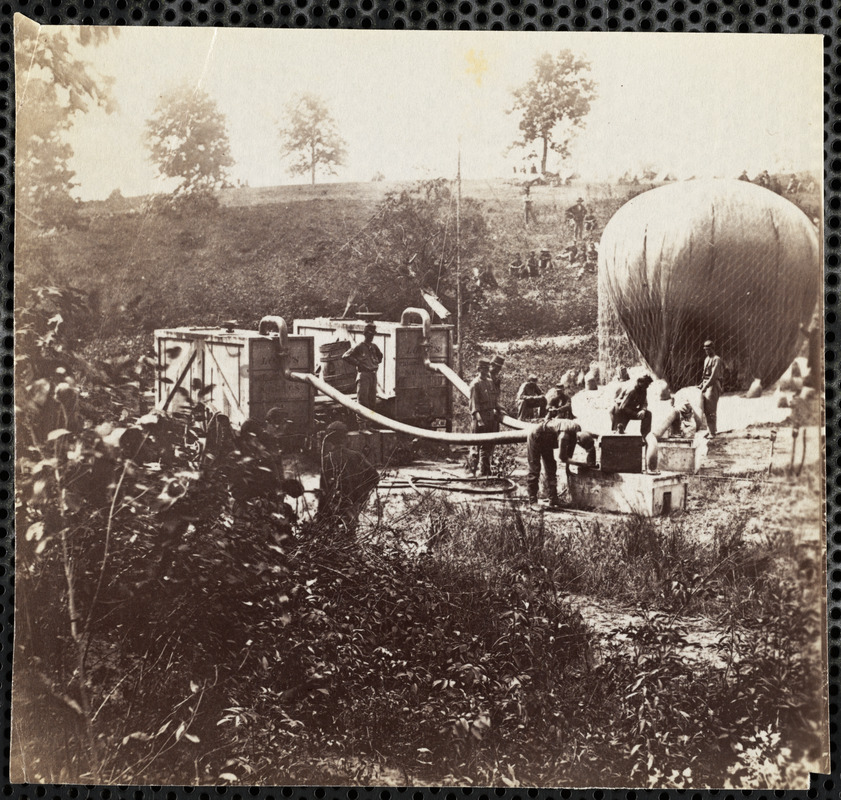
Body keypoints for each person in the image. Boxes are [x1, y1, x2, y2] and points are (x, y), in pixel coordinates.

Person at [526, 405, 596, 509]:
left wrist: (589, 460)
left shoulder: (577, 429)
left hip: (547, 440)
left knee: (551, 467)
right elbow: (563, 458)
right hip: (536, 437)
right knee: (535, 469)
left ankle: (553, 499)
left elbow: (569, 455)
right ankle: (532, 502)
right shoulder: (565, 436)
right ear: (578, 441)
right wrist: (583, 464)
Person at [316, 421, 380, 534]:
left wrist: (320, 518)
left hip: (334, 508)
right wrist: (361, 496)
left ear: (329, 440)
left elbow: (324, 491)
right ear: (345, 438)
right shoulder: (356, 456)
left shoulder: (327, 460)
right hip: (352, 506)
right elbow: (374, 476)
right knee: (350, 535)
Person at [342, 323, 383, 425]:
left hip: (373, 375)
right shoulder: (359, 346)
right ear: (365, 334)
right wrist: (359, 363)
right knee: (363, 401)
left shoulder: (374, 347)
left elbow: (380, 356)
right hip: (364, 375)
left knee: (372, 401)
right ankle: (362, 425)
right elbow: (346, 356)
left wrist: (374, 363)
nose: (371, 336)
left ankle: (369, 424)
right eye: (369, 334)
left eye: (373, 334)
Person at [468, 358, 503, 476]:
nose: (486, 371)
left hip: (490, 417)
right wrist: (479, 420)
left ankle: (485, 471)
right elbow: (474, 405)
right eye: (484, 368)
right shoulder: (475, 384)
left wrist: (501, 410)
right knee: (476, 445)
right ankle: (471, 471)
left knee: (488, 446)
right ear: (478, 369)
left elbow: (494, 400)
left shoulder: (489, 382)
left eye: (487, 368)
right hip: (479, 417)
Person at [697, 340, 724, 438]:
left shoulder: (716, 359)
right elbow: (704, 376)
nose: (707, 351)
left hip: (713, 386)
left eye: (708, 349)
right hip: (706, 384)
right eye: (705, 350)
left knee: (711, 409)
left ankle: (713, 432)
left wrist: (705, 386)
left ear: (712, 349)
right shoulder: (706, 359)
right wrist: (701, 385)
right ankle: (709, 430)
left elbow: (713, 376)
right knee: (706, 409)